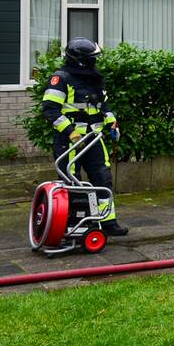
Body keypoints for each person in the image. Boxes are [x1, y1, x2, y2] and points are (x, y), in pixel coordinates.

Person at [41, 37, 128, 236]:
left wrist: (112, 122)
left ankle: (107, 222)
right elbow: (50, 110)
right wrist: (70, 132)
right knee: (72, 183)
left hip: (94, 139)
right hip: (70, 142)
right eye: (92, 59)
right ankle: (73, 225)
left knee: (103, 178)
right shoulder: (61, 78)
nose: (94, 62)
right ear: (81, 60)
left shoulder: (95, 78)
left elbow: (104, 106)